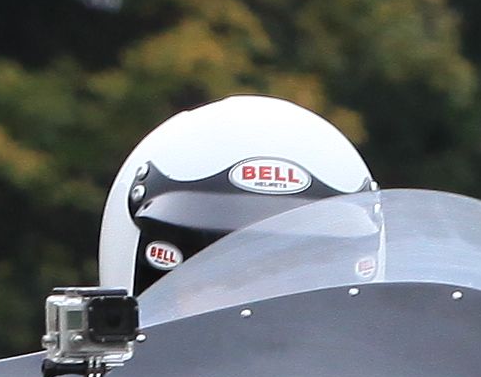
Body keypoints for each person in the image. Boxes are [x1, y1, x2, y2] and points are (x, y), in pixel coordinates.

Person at [97, 94, 372, 292]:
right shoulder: (90, 373)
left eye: (299, 276)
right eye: (221, 277)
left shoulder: (388, 373)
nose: (262, 300)